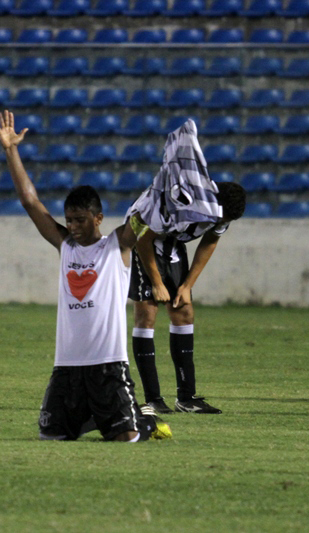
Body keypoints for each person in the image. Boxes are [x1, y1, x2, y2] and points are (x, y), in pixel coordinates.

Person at [0, 110, 170, 442]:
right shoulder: (65, 247)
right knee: (51, 437)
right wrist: (11, 150)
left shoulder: (116, 245)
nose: (73, 227)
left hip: (109, 364)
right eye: (69, 220)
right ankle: (95, 418)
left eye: (80, 220)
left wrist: (162, 184)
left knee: (127, 438)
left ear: (98, 218)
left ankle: (145, 421)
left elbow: (138, 220)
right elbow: (30, 201)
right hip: (68, 365)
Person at [125, 119, 246, 415]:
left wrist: (187, 285)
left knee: (183, 310)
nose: (218, 223)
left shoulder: (222, 212)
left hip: (170, 240)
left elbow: (209, 242)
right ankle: (152, 399)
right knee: (147, 312)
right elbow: (143, 239)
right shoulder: (182, 203)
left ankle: (186, 398)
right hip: (140, 234)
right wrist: (157, 283)